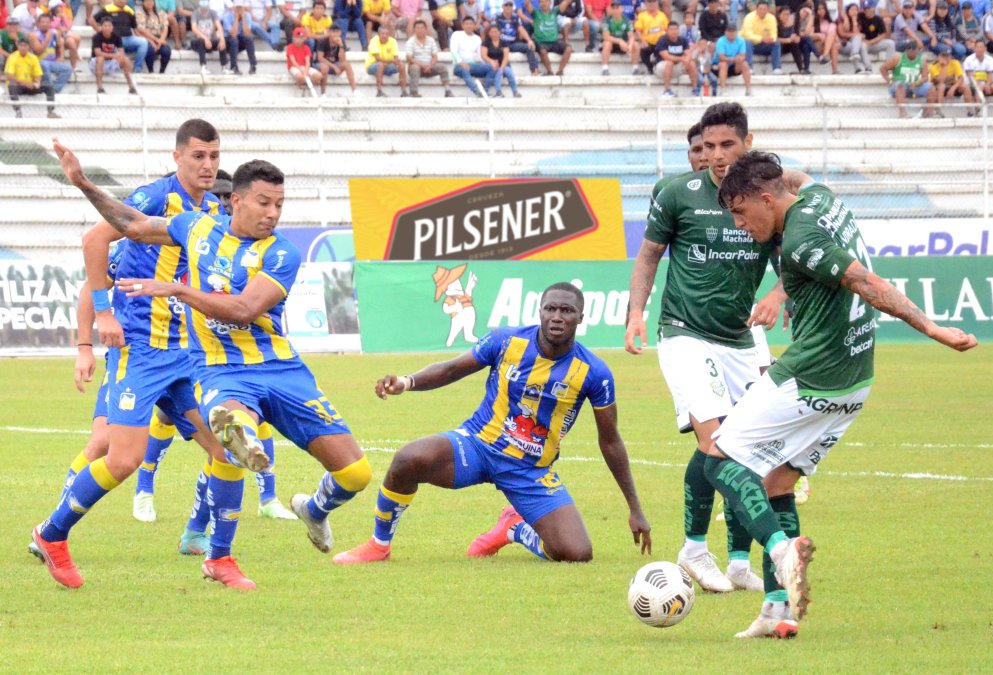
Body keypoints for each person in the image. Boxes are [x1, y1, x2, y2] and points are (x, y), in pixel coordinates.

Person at [51, 144, 375, 591]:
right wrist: (85, 184)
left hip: (281, 368)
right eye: (264, 203)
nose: (273, 214)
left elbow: (243, 309)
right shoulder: (198, 228)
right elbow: (133, 226)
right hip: (222, 370)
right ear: (236, 200)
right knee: (228, 438)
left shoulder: (281, 254)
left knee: (356, 474)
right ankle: (219, 556)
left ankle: (314, 509)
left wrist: (177, 292)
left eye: (279, 205)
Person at [714, 150, 977, 637]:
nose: (739, 223)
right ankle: (779, 612)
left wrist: (932, 328)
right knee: (776, 484)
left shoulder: (799, 239)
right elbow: (798, 175)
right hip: (856, 381)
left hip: (814, 372)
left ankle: (778, 549)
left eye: (740, 211)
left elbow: (864, 282)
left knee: (720, 460)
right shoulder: (819, 198)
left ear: (767, 199)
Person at [29, 121, 231, 587]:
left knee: (226, 447)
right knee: (120, 457)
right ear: (177, 156)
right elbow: (94, 241)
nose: (207, 164)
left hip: (187, 354)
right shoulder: (156, 198)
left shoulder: (212, 211)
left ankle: (210, 549)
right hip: (139, 349)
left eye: (214, 156)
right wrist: (101, 320)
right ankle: (51, 531)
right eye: (198, 155)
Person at [331, 283, 652, 566]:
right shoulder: (507, 341)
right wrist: (407, 381)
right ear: (540, 311)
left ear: (580, 318)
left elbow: (610, 441)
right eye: (550, 308)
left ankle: (514, 528)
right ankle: (379, 545)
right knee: (408, 459)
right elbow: (452, 369)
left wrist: (634, 508)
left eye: (567, 311)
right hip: (477, 446)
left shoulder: (594, 372)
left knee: (577, 554)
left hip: (529, 471)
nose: (557, 316)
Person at [627, 103, 807, 596]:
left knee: (746, 450)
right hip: (685, 333)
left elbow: (796, 255)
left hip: (740, 339)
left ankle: (737, 562)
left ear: (748, 144)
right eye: (708, 147)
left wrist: (776, 293)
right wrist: (636, 313)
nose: (716, 155)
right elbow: (648, 255)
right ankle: (705, 548)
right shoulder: (676, 194)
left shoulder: (767, 194)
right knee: (717, 445)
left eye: (728, 145)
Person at [881, 40, 934, 118]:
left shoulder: (922, 61)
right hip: (898, 85)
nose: (912, 52)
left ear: (917, 50)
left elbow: (925, 78)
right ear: (906, 50)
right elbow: (883, 68)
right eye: (910, 50)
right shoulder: (898, 58)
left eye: (914, 50)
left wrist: (918, 82)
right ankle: (902, 113)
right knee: (901, 85)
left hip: (914, 85)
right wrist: (889, 81)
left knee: (931, 87)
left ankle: (929, 112)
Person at [5, 37, 57, 118]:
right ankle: (18, 111)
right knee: (12, 85)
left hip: (31, 85)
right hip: (20, 86)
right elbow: (10, 76)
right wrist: (25, 83)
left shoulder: (33, 58)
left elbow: (38, 74)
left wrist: (36, 82)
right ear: (18, 46)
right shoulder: (12, 57)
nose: (23, 47)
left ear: (28, 47)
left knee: (49, 86)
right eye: (21, 45)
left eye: (25, 45)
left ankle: (51, 111)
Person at [94, 0, 149, 71]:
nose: (122, 1)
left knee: (143, 42)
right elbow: (94, 19)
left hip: (128, 38)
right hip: (114, 40)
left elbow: (134, 28)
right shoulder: (107, 9)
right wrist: (101, 31)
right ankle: (116, 69)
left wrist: (141, 36)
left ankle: (137, 68)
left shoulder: (130, 10)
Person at [405, 19, 453, 97]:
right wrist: (423, 66)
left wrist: (430, 65)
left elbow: (435, 56)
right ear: (414, 30)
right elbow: (410, 58)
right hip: (417, 67)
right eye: (417, 28)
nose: (420, 30)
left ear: (425, 29)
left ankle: (447, 91)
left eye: (421, 28)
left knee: (443, 67)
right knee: (414, 67)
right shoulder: (410, 41)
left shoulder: (431, 40)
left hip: (429, 67)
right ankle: (413, 92)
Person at [91, 16, 137, 93]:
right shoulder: (96, 37)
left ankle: (131, 86)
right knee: (100, 58)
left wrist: (119, 57)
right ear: (101, 27)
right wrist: (113, 56)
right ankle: (99, 87)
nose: (107, 28)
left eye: (109, 26)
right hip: (96, 63)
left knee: (125, 59)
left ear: (112, 27)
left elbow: (121, 52)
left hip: (110, 62)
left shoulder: (117, 37)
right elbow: (98, 53)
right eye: (105, 26)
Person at [450, 15, 494, 96]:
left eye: (471, 24)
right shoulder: (456, 35)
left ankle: (485, 91)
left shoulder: (477, 38)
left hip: (473, 65)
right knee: (465, 69)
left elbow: (479, 56)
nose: (469, 26)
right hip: (459, 66)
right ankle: (477, 92)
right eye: (466, 24)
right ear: (462, 25)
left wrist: (487, 63)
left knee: (491, 68)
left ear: (474, 25)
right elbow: (453, 51)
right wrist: (461, 62)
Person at [29, 13, 72, 93]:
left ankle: (55, 90)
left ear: (50, 23)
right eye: (42, 22)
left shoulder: (55, 33)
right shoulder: (34, 35)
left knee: (68, 69)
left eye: (47, 22)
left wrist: (61, 57)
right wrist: (47, 39)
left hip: (52, 62)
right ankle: (48, 87)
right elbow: (38, 51)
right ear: (38, 23)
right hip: (38, 62)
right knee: (44, 65)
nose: (45, 24)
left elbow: (60, 46)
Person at [528, 0, 574, 75]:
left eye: (546, 1)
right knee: (542, 51)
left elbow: (565, 2)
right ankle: (550, 71)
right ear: (539, 4)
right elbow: (527, 5)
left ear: (550, 3)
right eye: (542, 2)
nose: (544, 4)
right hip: (541, 42)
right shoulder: (536, 13)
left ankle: (560, 70)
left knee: (569, 49)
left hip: (554, 42)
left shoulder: (554, 11)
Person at [655, 20, 699, 97]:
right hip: (662, 67)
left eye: (675, 29)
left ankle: (695, 90)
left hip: (677, 67)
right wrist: (681, 59)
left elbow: (688, 53)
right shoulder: (662, 40)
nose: (673, 31)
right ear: (667, 31)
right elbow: (665, 56)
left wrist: (687, 60)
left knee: (691, 63)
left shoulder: (683, 40)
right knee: (669, 62)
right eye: (671, 29)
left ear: (678, 31)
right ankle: (667, 90)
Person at [495, 1, 540, 75]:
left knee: (529, 47)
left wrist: (529, 40)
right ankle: (506, 73)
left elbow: (521, 29)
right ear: (502, 7)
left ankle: (534, 70)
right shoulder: (498, 17)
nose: (508, 6)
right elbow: (492, 30)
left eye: (510, 5)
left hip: (513, 43)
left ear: (513, 7)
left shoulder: (515, 17)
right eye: (506, 5)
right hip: (501, 44)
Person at [928, 43, 973, 114]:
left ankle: (970, 110)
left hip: (951, 86)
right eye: (943, 56)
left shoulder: (955, 63)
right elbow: (941, 81)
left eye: (948, 56)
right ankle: (939, 110)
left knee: (965, 86)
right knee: (941, 86)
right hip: (938, 88)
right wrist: (944, 66)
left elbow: (961, 78)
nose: (946, 58)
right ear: (938, 57)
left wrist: (953, 88)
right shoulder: (933, 66)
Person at [740, 0, 783, 74]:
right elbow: (747, 34)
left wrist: (771, 38)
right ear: (756, 9)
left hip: (764, 44)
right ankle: (749, 68)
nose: (762, 11)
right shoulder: (749, 17)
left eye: (764, 9)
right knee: (747, 42)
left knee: (776, 42)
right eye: (760, 9)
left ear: (768, 10)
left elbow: (774, 34)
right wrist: (762, 38)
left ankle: (777, 68)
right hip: (751, 45)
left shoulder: (771, 18)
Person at [962, 38, 993, 115]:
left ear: (985, 48)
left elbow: (990, 74)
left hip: (984, 82)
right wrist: (979, 85)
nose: (979, 49)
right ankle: (975, 110)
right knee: (979, 87)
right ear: (975, 48)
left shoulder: (990, 59)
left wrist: (988, 84)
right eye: (978, 47)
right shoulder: (968, 60)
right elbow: (970, 75)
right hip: (971, 83)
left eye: (981, 47)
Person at [713, 20, 752, 93]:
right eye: (729, 31)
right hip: (719, 66)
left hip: (734, 66)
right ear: (725, 32)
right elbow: (721, 57)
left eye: (733, 31)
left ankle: (748, 89)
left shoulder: (741, 41)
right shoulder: (721, 41)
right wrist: (733, 59)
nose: (731, 33)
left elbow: (742, 55)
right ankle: (722, 89)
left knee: (745, 64)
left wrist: (739, 59)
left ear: (736, 32)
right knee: (723, 65)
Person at [365, 22, 403, 96]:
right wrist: (392, 61)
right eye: (382, 33)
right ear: (378, 34)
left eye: (386, 34)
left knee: (402, 65)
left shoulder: (393, 41)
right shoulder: (374, 41)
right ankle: (379, 91)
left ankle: (403, 90)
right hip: (372, 66)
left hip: (387, 65)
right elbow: (378, 58)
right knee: (380, 64)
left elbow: (396, 57)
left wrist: (397, 62)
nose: (384, 36)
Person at [481, 23, 520, 96]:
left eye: (496, 32)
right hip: (491, 65)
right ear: (489, 33)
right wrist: (492, 62)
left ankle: (515, 91)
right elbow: (484, 55)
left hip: (503, 64)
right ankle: (495, 91)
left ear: (499, 32)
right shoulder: (486, 43)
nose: (494, 34)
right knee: (494, 70)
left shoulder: (504, 43)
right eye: (492, 32)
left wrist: (501, 68)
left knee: (509, 72)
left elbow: (506, 57)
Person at [599, 1, 637, 75]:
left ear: (622, 9)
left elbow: (631, 36)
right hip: (612, 45)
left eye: (617, 8)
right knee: (607, 43)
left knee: (635, 44)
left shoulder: (626, 20)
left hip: (623, 45)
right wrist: (619, 41)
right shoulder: (606, 20)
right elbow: (606, 37)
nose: (615, 10)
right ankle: (605, 68)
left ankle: (635, 68)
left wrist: (630, 45)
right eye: (613, 8)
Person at [190, 0, 227, 74]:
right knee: (201, 41)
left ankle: (224, 67)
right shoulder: (195, 13)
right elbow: (194, 28)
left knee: (222, 41)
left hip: (210, 41)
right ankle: (203, 67)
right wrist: (205, 38)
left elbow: (219, 26)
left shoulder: (213, 13)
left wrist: (222, 39)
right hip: (197, 41)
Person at [316, 24, 356, 94]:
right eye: (333, 32)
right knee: (325, 67)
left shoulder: (341, 42)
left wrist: (341, 46)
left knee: (347, 64)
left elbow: (343, 59)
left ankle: (354, 91)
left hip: (334, 64)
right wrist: (334, 67)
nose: (335, 34)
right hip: (321, 65)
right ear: (329, 32)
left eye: (337, 32)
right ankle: (323, 93)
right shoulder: (323, 41)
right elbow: (320, 58)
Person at [633, 0, 668, 74]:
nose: (652, 4)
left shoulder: (662, 15)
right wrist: (642, 40)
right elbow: (638, 30)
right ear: (645, 3)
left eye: (654, 1)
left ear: (657, 3)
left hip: (660, 44)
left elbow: (667, 30)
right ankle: (650, 67)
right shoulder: (641, 16)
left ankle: (658, 66)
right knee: (643, 50)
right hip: (648, 43)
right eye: (649, 2)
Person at [223, 1, 258, 74]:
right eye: (237, 7)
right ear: (233, 8)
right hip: (228, 40)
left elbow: (247, 33)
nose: (238, 9)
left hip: (239, 39)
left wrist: (243, 18)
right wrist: (236, 18)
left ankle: (253, 65)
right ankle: (234, 67)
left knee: (249, 39)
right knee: (234, 40)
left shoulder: (247, 15)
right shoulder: (227, 16)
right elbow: (233, 34)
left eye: (240, 7)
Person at [287, 26, 323, 93]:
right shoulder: (290, 47)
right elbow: (293, 61)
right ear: (293, 37)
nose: (298, 40)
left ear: (304, 39)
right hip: (294, 67)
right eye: (296, 37)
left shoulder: (306, 48)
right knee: (300, 77)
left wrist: (306, 70)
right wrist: (301, 70)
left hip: (304, 67)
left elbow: (307, 61)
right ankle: (300, 86)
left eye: (301, 38)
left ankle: (306, 86)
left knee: (319, 76)